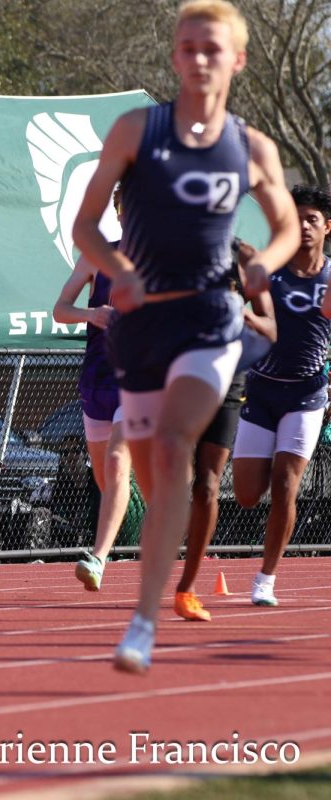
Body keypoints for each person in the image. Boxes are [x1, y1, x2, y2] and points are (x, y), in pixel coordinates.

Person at [73, 0, 299, 673]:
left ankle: (141, 622)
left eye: (213, 47)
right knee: (151, 470)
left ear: (237, 59)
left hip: (211, 320)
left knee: (174, 444)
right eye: (188, 47)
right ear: (174, 56)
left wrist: (264, 263)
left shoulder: (252, 146)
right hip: (140, 327)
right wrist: (118, 271)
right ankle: (159, 589)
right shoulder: (136, 131)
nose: (199, 58)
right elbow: (86, 226)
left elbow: (287, 225)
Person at [232, 185, 331, 607]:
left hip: (307, 395)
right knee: (247, 495)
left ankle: (265, 579)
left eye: (313, 219)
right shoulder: (269, 272)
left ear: (327, 226)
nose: (305, 226)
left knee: (287, 485)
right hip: (261, 391)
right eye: (298, 218)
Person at [172, 242, 276, 620]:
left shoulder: (245, 257)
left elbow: (271, 327)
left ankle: (187, 588)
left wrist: (241, 316)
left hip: (229, 381)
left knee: (209, 484)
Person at [55, 187, 135, 591]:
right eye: (125, 206)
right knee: (107, 479)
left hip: (137, 381)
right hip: (96, 378)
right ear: (118, 213)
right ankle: (147, 516)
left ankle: (98, 557)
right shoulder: (96, 257)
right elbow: (60, 309)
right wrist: (94, 313)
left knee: (119, 463)